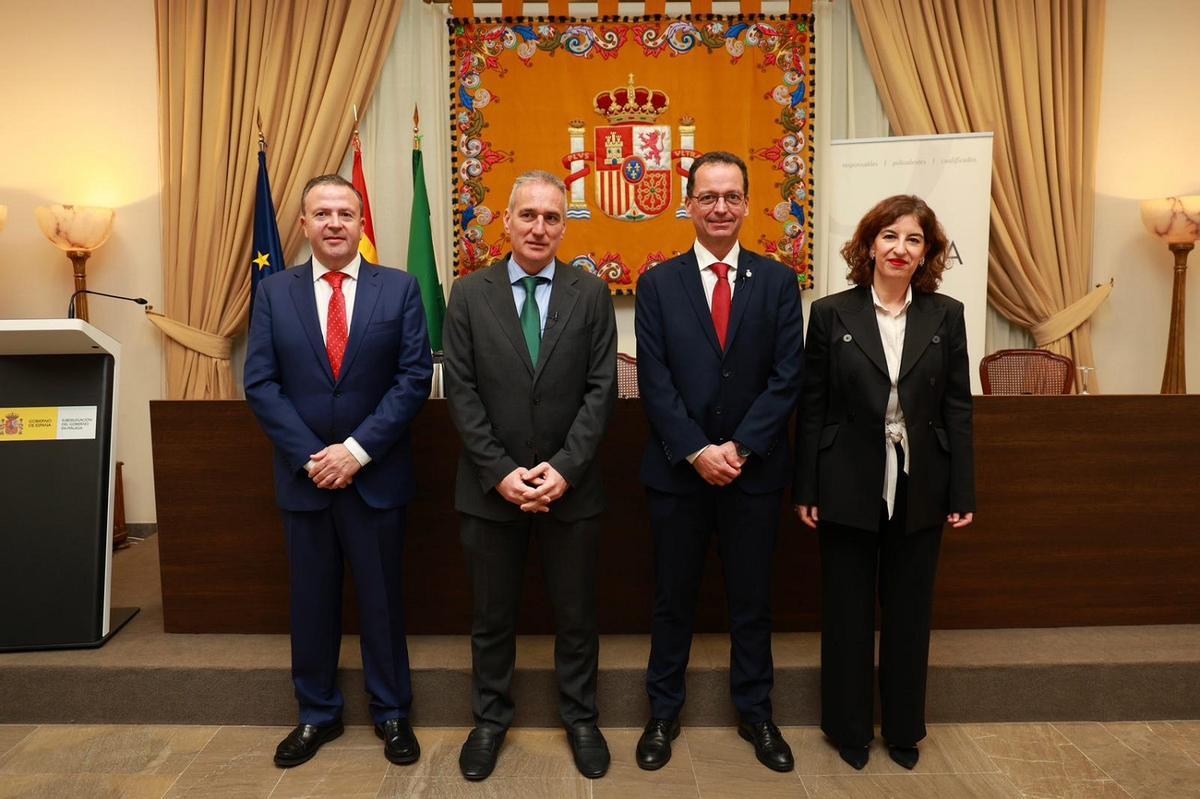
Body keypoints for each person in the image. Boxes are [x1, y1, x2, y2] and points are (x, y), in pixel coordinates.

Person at [244, 174, 432, 768]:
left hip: (375, 477)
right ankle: (316, 714)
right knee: (311, 603)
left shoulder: (399, 289)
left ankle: (392, 713)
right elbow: (261, 383)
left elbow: (412, 380)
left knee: (381, 601)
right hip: (306, 479)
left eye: (344, 213)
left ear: (359, 224)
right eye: (321, 213)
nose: (333, 223)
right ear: (303, 225)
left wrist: (355, 451)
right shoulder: (274, 293)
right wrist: (314, 457)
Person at [443, 170, 618, 781]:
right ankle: (489, 721)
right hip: (491, 491)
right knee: (492, 618)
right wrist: (501, 472)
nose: (539, 227)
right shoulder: (468, 294)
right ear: (506, 220)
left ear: (564, 226)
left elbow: (602, 391)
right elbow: (460, 392)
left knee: (576, 616)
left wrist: (564, 470)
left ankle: (582, 719)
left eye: (551, 217)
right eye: (528, 215)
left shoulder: (590, 294)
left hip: (573, 490)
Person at [634, 151, 805, 773]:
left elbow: (788, 378)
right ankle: (662, 714)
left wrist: (739, 447)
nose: (720, 208)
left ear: (747, 203)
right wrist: (699, 450)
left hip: (754, 473)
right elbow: (653, 381)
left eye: (732, 196)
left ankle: (757, 715)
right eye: (708, 196)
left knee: (752, 601)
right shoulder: (657, 282)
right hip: (678, 473)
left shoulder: (778, 281)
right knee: (672, 599)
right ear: (688, 203)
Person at [793, 194, 975, 771]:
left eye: (914, 239)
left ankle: (902, 728)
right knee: (846, 610)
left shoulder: (946, 314)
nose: (901, 248)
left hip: (922, 481)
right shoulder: (829, 314)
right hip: (845, 477)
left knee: (909, 609)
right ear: (870, 244)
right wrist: (807, 488)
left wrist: (962, 491)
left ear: (927, 254)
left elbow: (957, 408)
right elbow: (813, 408)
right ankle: (848, 728)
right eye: (890, 236)